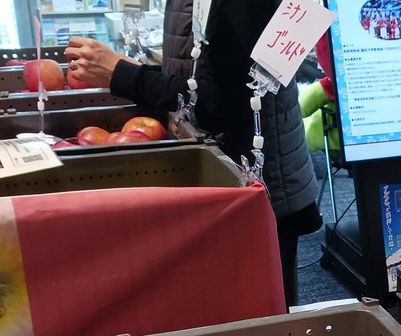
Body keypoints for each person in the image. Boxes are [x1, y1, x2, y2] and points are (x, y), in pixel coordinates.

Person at [65, 0, 323, 307]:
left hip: (250, 184)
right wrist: (139, 72)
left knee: (259, 322)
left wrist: (126, 76)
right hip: (232, 178)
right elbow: (206, 74)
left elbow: (220, 104)